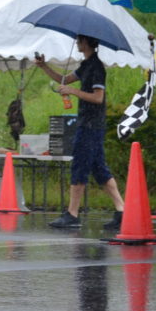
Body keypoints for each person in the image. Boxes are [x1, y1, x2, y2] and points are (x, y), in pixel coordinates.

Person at [33, 35, 125, 229]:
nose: (76, 42)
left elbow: (98, 97)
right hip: (90, 124)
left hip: (90, 125)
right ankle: (122, 210)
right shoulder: (86, 65)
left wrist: (73, 92)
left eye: (80, 39)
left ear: (88, 42)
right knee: (99, 169)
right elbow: (65, 79)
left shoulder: (96, 67)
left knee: (79, 166)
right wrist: (44, 66)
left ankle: (72, 214)